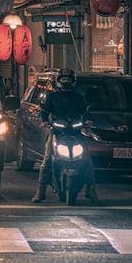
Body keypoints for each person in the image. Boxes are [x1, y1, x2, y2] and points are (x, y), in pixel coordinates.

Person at [32, 67, 99, 204]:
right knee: (47, 159)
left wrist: (87, 120)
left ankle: (91, 189)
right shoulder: (52, 97)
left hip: (76, 132)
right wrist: (44, 121)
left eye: (68, 79)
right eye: (63, 79)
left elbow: (86, 111)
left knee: (86, 158)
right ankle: (41, 189)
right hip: (57, 132)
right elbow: (44, 111)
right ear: (58, 81)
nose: (66, 81)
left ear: (73, 81)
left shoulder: (79, 97)